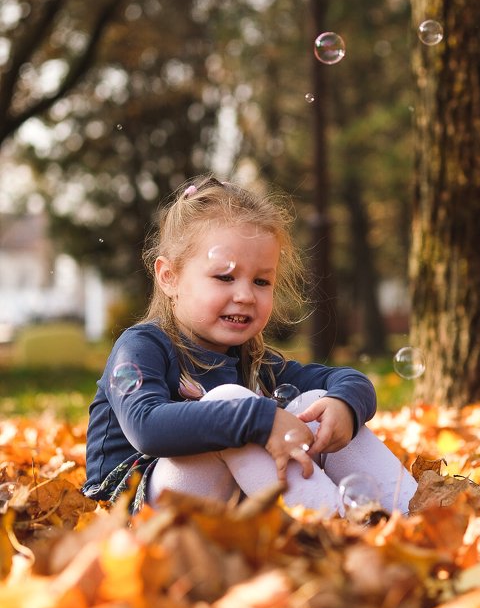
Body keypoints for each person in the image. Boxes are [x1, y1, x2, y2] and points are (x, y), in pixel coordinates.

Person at [84, 175, 417, 516]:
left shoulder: (256, 361)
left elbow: (349, 380)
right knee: (231, 403)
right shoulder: (142, 346)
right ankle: (337, 529)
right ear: (169, 277)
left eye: (261, 281)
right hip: (135, 514)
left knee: (320, 402)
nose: (244, 296)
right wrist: (260, 418)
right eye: (224, 277)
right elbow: (147, 427)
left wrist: (346, 405)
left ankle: (412, 513)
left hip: (222, 512)